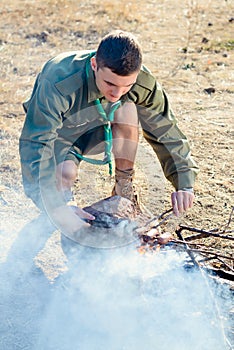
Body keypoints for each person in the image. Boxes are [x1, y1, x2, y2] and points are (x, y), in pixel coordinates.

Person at [19, 30, 199, 236]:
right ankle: (66, 199)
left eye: (127, 85)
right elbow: (37, 144)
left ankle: (124, 190)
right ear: (95, 64)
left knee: (126, 107)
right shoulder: (59, 80)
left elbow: (165, 130)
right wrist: (54, 206)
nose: (116, 93)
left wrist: (184, 183)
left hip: (104, 130)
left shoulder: (143, 82)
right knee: (65, 175)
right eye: (110, 83)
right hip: (64, 135)